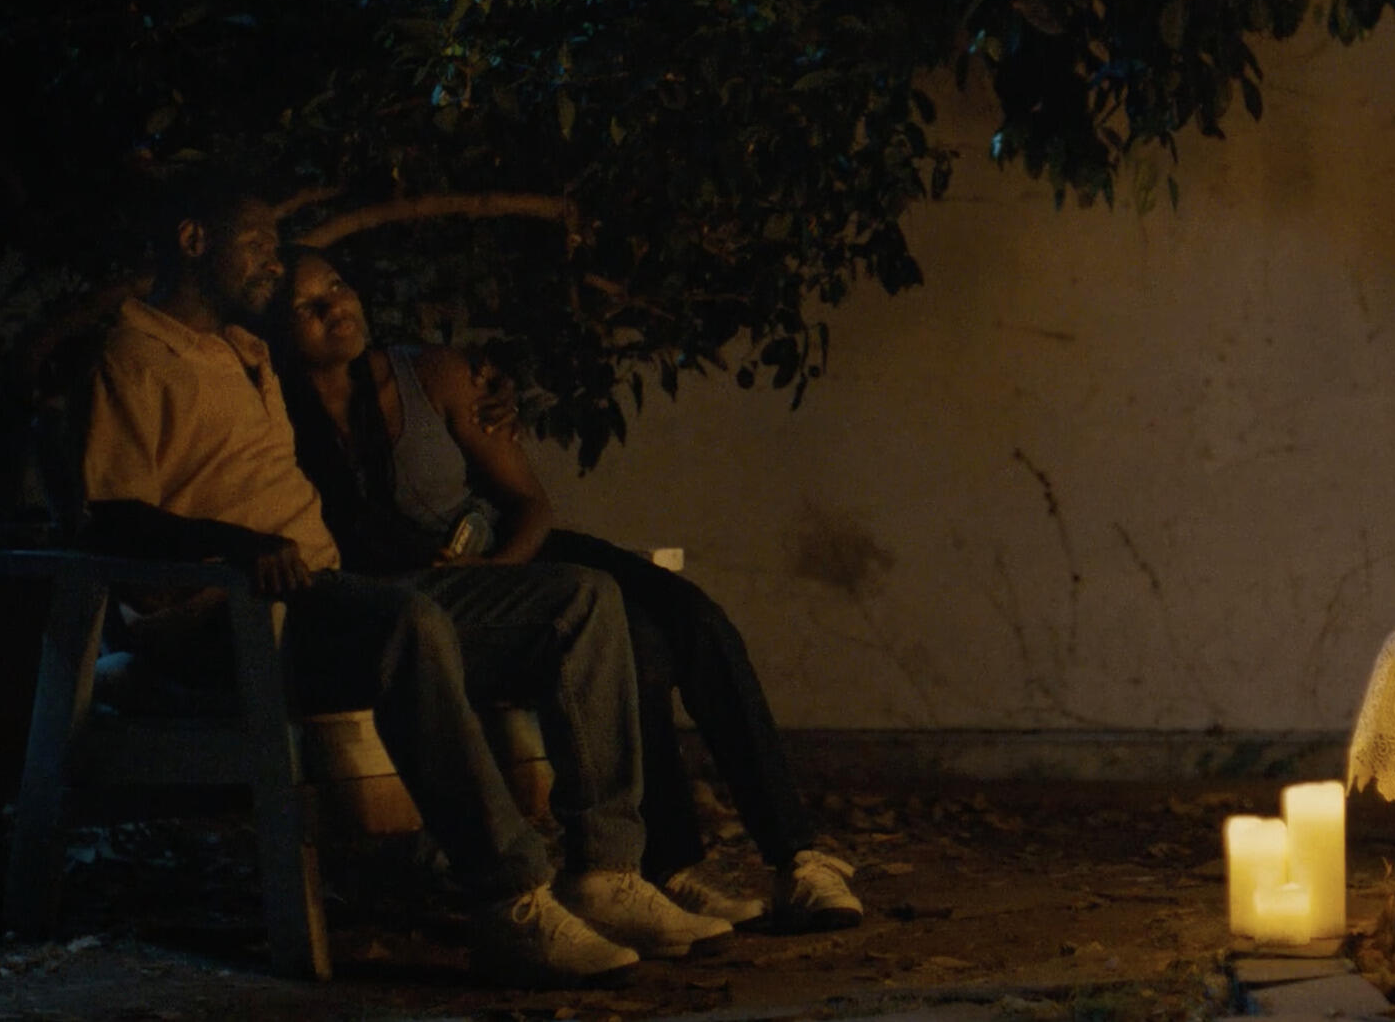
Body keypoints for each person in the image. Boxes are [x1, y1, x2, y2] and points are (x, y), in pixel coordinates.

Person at [78, 179, 731, 982]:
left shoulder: (247, 348)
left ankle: (604, 872)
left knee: (579, 596)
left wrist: (483, 379)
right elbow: (107, 516)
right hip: (224, 616)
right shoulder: (132, 354)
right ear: (191, 240)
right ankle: (507, 900)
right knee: (406, 622)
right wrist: (235, 546)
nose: (273, 264)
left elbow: (362, 361)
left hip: (324, 596)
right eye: (257, 244)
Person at [268, 245, 863, 932]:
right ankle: (666, 870)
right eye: (307, 305)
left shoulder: (430, 374)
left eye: (338, 286)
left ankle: (799, 855)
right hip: (437, 596)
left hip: (516, 551)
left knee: (693, 618)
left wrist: (503, 571)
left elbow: (528, 502)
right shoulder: (272, 417)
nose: (334, 308)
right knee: (638, 648)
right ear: (278, 329)